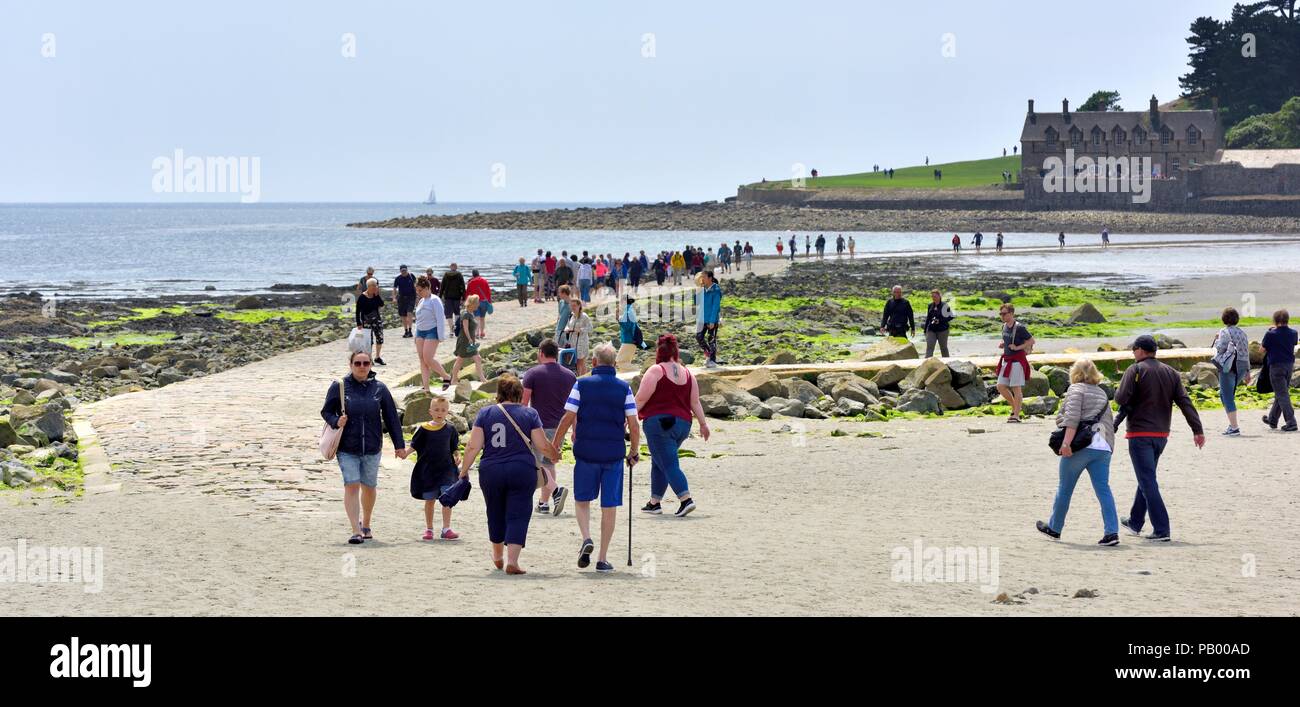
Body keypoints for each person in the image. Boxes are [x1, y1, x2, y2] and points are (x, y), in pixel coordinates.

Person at [458, 374, 560, 575]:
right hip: (521, 469)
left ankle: (497, 556)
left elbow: (473, 446)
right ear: (519, 393)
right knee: (519, 513)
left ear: (499, 393)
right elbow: (541, 445)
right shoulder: (530, 414)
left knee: (494, 510)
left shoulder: (485, 413)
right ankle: (512, 561)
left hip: (491, 469)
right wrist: (554, 454)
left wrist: (463, 472)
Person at [552, 343, 640, 573]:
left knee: (582, 500)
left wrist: (556, 445)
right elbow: (634, 424)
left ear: (593, 363)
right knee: (609, 506)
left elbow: (568, 417)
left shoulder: (581, 384)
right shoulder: (624, 388)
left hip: (586, 452)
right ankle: (602, 558)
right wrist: (634, 451)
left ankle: (586, 537)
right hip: (613, 454)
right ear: (614, 364)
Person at [1116, 335, 1206, 542]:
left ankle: (1162, 529)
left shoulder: (1135, 369)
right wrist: (1197, 430)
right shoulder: (1171, 372)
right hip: (1161, 435)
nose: (1132, 353)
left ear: (1140, 350)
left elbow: (1121, 398)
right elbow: (1185, 402)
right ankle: (1135, 521)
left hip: (1140, 434)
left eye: (1134, 349)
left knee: (1147, 480)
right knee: (1146, 477)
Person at [321, 350, 407, 545]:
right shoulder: (339, 387)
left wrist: (399, 446)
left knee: (369, 486)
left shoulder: (380, 388)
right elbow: (326, 411)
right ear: (350, 365)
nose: (362, 367)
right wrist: (336, 421)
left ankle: (366, 523)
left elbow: (392, 418)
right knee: (351, 484)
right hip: (347, 447)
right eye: (357, 363)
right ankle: (355, 530)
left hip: (372, 446)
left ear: (371, 365)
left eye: (365, 363)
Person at [1036, 359, 1119, 546]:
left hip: (1080, 446)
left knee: (1065, 488)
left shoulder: (1076, 390)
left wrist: (1066, 444)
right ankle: (1112, 532)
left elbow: (1071, 419)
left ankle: (1055, 528)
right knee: (1103, 489)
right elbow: (1108, 423)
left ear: (1075, 373)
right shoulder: (1102, 393)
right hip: (1103, 446)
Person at [636, 334, 709, 517]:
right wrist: (703, 424)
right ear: (676, 352)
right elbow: (695, 402)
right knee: (660, 460)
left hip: (659, 424)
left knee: (668, 463)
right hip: (683, 425)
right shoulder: (688, 373)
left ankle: (686, 499)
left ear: (659, 351)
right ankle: (654, 502)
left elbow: (641, 399)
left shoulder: (656, 370)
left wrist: (626, 418)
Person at [522, 339, 575, 515]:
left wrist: (520, 423)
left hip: (538, 425)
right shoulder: (570, 376)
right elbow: (574, 406)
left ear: (541, 353)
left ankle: (555, 492)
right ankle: (544, 503)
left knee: (535, 462)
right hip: (560, 426)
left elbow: (524, 402)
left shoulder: (532, 373)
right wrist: (575, 429)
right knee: (549, 462)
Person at [409, 396, 461, 541]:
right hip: (428, 470)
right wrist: (404, 453)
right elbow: (414, 445)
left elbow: (454, 447)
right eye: (437, 409)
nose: (440, 412)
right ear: (430, 411)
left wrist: (458, 456)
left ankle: (446, 528)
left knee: (447, 498)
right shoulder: (424, 429)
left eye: (443, 410)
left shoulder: (450, 429)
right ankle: (429, 529)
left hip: (446, 470)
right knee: (430, 500)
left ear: (447, 412)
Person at [1211, 307, 1251, 436]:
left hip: (1229, 365)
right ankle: (1232, 424)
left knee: (1226, 396)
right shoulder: (1243, 333)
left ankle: (1234, 428)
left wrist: (1217, 339)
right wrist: (1248, 371)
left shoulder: (1224, 332)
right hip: (1242, 364)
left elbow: (1221, 348)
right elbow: (1246, 351)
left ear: (1224, 319)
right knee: (1226, 395)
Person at [995, 303, 1034, 423]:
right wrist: (1003, 344)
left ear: (1011, 313)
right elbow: (1005, 339)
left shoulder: (1020, 327)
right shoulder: (1004, 326)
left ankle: (1016, 415)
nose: (1002, 316)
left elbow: (1031, 340)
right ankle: (1015, 407)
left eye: (1004, 313)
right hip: (1007, 360)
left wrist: (1017, 347)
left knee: (1016, 388)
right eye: (1001, 314)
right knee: (1000, 386)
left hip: (1017, 360)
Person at [1261, 309, 1298, 432]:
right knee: (1281, 392)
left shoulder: (1271, 334)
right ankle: (1272, 419)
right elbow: (1292, 343)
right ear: (1287, 320)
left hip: (1276, 366)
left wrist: (1271, 331)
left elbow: (1262, 350)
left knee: (1282, 394)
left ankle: (1291, 422)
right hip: (1289, 365)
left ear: (1275, 321)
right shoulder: (1294, 333)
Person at [413, 276, 451, 392]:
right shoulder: (421, 301)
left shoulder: (435, 300)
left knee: (428, 358)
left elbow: (440, 318)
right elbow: (418, 319)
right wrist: (415, 335)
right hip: (420, 331)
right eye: (417, 290)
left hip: (432, 331)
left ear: (427, 288)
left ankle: (446, 376)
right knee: (422, 360)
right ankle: (426, 387)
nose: (418, 293)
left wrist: (441, 336)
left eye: (420, 290)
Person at [450, 295, 486, 384]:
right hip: (465, 341)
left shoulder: (470, 313)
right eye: (477, 303)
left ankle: (482, 379)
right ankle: (454, 379)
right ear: (472, 303)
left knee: (477, 358)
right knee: (460, 360)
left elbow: (471, 329)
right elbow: (465, 328)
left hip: (470, 341)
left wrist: (473, 339)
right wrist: (470, 339)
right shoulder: (465, 314)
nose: (478, 305)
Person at [355, 278, 387, 366]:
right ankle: (369, 358)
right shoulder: (362, 297)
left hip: (377, 319)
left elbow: (381, 304)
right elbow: (358, 311)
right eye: (374, 285)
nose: (376, 287)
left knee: (380, 338)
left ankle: (377, 357)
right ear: (369, 286)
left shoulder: (375, 295)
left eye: (376, 285)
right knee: (369, 341)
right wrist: (359, 323)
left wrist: (377, 295)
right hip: (366, 321)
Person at [561, 298, 593, 376]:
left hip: (582, 343)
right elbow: (567, 326)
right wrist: (567, 330)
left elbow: (590, 328)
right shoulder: (571, 316)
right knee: (576, 363)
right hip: (573, 343)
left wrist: (580, 330)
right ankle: (582, 378)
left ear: (579, 306)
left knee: (580, 362)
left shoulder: (584, 316)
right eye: (571, 306)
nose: (573, 308)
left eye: (574, 306)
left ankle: (581, 378)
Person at [696, 270, 722, 368]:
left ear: (710, 278)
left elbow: (715, 306)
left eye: (704, 277)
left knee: (711, 340)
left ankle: (712, 360)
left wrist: (712, 321)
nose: (702, 279)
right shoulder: (702, 289)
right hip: (702, 318)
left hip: (712, 319)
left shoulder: (716, 290)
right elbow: (696, 302)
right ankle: (708, 354)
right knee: (699, 336)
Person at [922, 289, 953, 358]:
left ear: (939, 296)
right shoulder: (930, 305)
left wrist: (940, 320)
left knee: (943, 348)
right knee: (930, 347)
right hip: (931, 329)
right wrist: (925, 330)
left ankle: (947, 363)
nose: (933, 298)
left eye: (935, 296)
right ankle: (927, 364)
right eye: (932, 297)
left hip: (943, 330)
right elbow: (928, 318)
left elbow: (951, 317)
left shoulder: (944, 306)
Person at [392, 265, 418, 338]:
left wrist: (417, 297)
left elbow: (416, 287)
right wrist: (394, 298)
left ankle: (410, 330)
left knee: (409, 313)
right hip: (401, 298)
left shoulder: (411, 276)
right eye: (402, 271)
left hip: (411, 297)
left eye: (405, 270)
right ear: (400, 271)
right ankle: (406, 331)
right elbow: (394, 288)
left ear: (407, 270)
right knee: (403, 315)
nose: (403, 272)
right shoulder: (398, 278)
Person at [465, 269, 493, 338]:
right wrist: (489, 301)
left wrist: (467, 302)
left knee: (476, 318)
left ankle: (476, 333)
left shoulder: (471, 282)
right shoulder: (484, 281)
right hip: (484, 302)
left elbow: (468, 293)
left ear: (472, 275)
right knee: (482, 318)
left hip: (475, 302)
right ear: (478, 274)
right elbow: (488, 292)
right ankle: (482, 332)